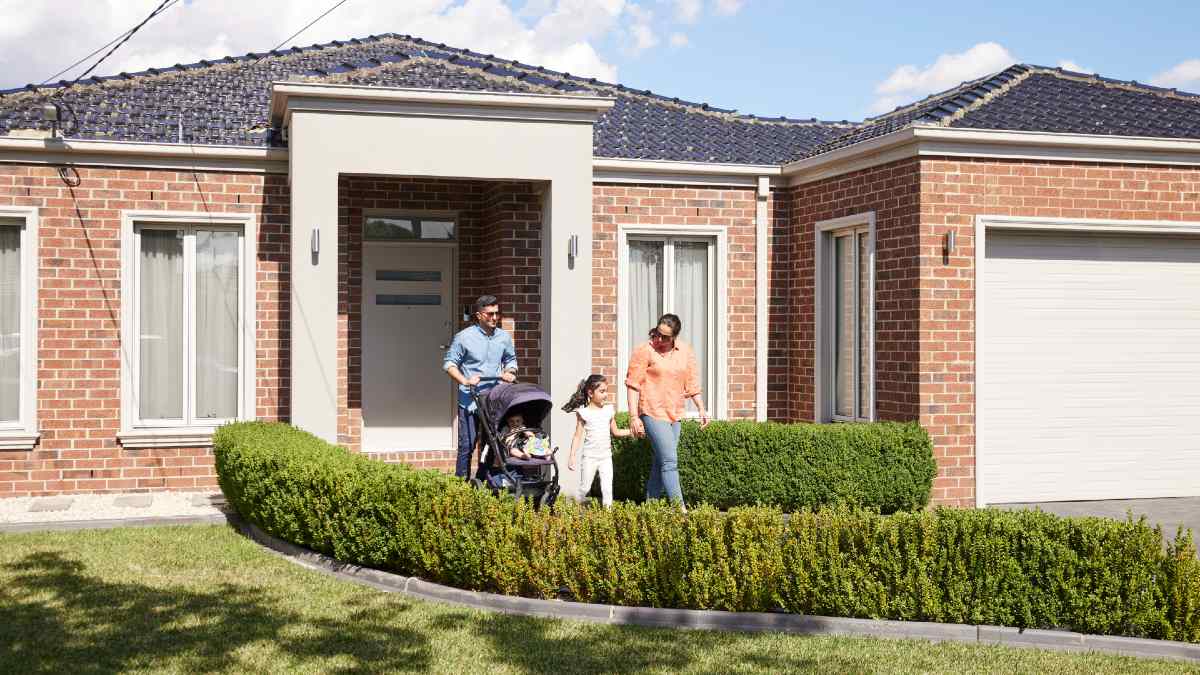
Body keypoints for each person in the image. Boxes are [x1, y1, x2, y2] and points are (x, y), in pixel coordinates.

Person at [625, 313, 710, 509]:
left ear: (674, 337)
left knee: (659, 461)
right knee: (670, 461)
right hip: (652, 411)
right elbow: (632, 385)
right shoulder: (644, 351)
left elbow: (692, 383)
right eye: (657, 334)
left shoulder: (685, 352)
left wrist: (701, 409)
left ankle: (650, 508)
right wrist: (633, 417)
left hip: (675, 414)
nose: (659, 340)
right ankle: (680, 510)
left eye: (665, 337)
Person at [443, 294, 517, 480]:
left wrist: (510, 371)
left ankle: (485, 481)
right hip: (470, 401)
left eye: (497, 314)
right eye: (489, 314)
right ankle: (461, 485)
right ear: (478, 315)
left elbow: (510, 360)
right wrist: (465, 380)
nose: (494, 318)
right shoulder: (464, 337)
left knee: (493, 443)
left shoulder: (503, 338)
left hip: (494, 400)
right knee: (467, 445)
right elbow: (450, 364)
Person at [564, 374, 630, 507]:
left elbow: (616, 432)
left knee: (607, 489)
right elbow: (577, 436)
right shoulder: (584, 413)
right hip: (590, 457)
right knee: (585, 488)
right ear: (590, 392)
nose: (605, 394)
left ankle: (608, 516)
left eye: (606, 391)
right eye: (602, 391)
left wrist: (632, 431)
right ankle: (571, 506)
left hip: (606, 457)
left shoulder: (608, 410)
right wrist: (572, 456)